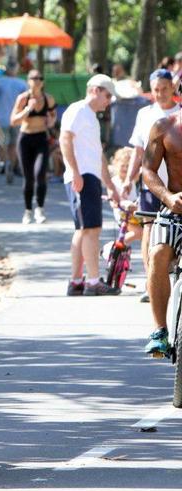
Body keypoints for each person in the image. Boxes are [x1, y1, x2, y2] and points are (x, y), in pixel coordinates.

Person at [61, 74, 121, 296]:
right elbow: (65, 139)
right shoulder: (77, 110)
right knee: (91, 229)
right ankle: (93, 281)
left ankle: (76, 281)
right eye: (107, 95)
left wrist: (110, 185)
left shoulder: (92, 118)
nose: (109, 100)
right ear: (95, 90)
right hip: (82, 176)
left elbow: (99, 155)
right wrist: (75, 172)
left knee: (83, 229)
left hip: (90, 176)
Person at [123, 69, 179, 303]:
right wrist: (128, 178)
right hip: (153, 185)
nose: (159, 94)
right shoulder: (145, 114)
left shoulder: (178, 116)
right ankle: (151, 282)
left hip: (175, 184)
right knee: (149, 229)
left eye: (164, 89)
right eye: (155, 90)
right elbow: (139, 151)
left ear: (173, 88)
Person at [142, 101, 182, 355]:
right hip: (176, 207)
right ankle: (159, 330)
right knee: (157, 254)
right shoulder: (164, 127)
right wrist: (168, 197)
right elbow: (148, 170)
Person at [10, 69, 57, 224]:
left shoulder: (48, 98)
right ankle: (28, 211)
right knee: (28, 177)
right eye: (34, 78)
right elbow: (14, 121)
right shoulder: (23, 98)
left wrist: (50, 122)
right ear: (28, 81)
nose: (37, 81)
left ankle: (40, 210)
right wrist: (27, 109)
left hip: (41, 138)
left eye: (40, 78)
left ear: (43, 81)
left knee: (40, 174)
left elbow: (53, 116)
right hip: (25, 139)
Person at [0, 60, 27, 182]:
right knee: (14, 144)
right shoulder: (22, 83)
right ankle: (11, 164)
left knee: (2, 144)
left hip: (2, 118)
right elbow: (27, 102)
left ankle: (6, 164)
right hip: (17, 119)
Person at [107, 147, 142, 246]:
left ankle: (122, 247)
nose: (125, 168)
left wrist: (133, 150)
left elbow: (141, 164)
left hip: (134, 213)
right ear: (116, 165)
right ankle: (115, 245)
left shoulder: (131, 180)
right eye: (123, 165)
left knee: (148, 230)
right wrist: (122, 204)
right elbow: (112, 202)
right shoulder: (114, 181)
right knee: (140, 232)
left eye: (128, 166)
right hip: (123, 214)